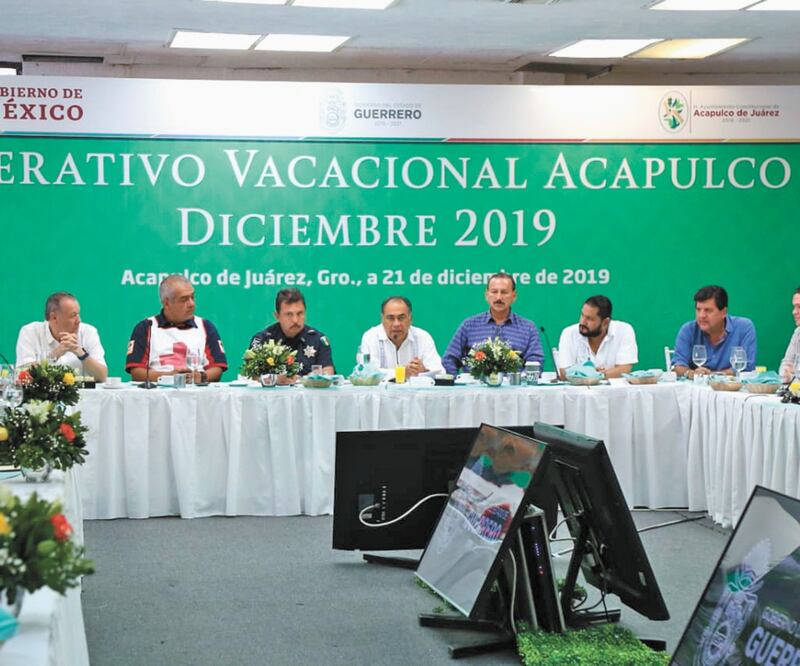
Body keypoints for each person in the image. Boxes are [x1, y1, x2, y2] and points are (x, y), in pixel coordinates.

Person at [125, 274, 227, 382]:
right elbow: (136, 372)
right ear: (167, 303)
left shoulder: (205, 326)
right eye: (184, 299)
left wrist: (201, 377)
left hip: (197, 393)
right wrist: (169, 377)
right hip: (157, 393)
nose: (191, 304)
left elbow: (217, 368)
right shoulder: (146, 327)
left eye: (192, 297)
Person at [442, 272, 544, 375]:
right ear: (487, 295)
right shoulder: (469, 325)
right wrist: (457, 384)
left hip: (515, 388)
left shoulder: (528, 328)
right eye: (494, 292)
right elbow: (449, 360)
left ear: (514, 296)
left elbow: (536, 362)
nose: (499, 297)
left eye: (504, 292)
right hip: (475, 389)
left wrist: (522, 382)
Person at [16, 291, 108, 381]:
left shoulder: (89, 332)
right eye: (73, 315)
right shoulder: (30, 332)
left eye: (78, 314)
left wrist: (81, 353)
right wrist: (55, 354)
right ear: (54, 317)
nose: (79, 320)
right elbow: (22, 375)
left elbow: (102, 376)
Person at [248, 288, 334, 380]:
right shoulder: (262, 339)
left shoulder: (318, 339)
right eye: (289, 314)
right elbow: (252, 375)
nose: (295, 320)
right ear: (277, 316)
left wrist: (309, 378)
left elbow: (328, 370)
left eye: (300, 313)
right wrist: (275, 379)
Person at [673, 285, 757, 378]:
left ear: (723, 312)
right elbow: (678, 366)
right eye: (698, 310)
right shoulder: (688, 330)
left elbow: (746, 367)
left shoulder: (744, 327)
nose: (701, 315)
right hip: (697, 389)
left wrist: (712, 376)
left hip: (730, 390)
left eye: (707, 310)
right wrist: (692, 373)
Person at [359, 296, 443, 378]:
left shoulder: (423, 337)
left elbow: (440, 372)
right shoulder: (370, 337)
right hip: (381, 392)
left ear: (410, 319)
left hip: (415, 392)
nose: (396, 324)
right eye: (390, 318)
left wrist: (424, 371)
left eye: (401, 318)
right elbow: (367, 373)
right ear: (382, 319)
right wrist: (402, 372)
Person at [557, 295, 638, 379]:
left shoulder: (624, 330)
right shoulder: (569, 333)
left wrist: (594, 375)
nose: (582, 322)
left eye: (589, 319)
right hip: (577, 391)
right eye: (582, 315)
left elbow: (624, 369)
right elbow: (564, 373)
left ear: (605, 322)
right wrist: (592, 373)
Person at [779, 287, 800, 383]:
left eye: (799, 307)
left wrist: (793, 374)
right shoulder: (797, 333)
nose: (794, 312)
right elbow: (785, 366)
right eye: (794, 307)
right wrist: (789, 374)